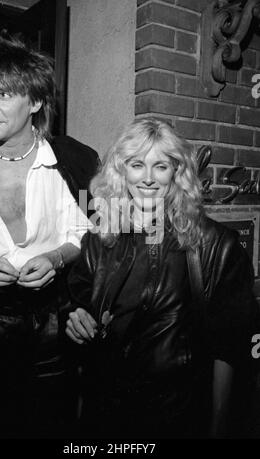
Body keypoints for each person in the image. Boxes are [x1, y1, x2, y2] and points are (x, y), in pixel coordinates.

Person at [65, 118, 259, 439]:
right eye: (137, 164)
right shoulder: (100, 239)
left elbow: (231, 350)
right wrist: (75, 319)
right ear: (121, 171)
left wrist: (218, 429)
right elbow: (74, 303)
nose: (148, 179)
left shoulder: (215, 245)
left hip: (177, 415)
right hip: (106, 414)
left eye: (161, 167)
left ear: (177, 174)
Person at [0, 29, 99, 438]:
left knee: (51, 423)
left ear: (35, 100)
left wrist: (57, 259)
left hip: (54, 325)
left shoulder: (76, 160)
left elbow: (95, 233)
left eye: (3, 95)